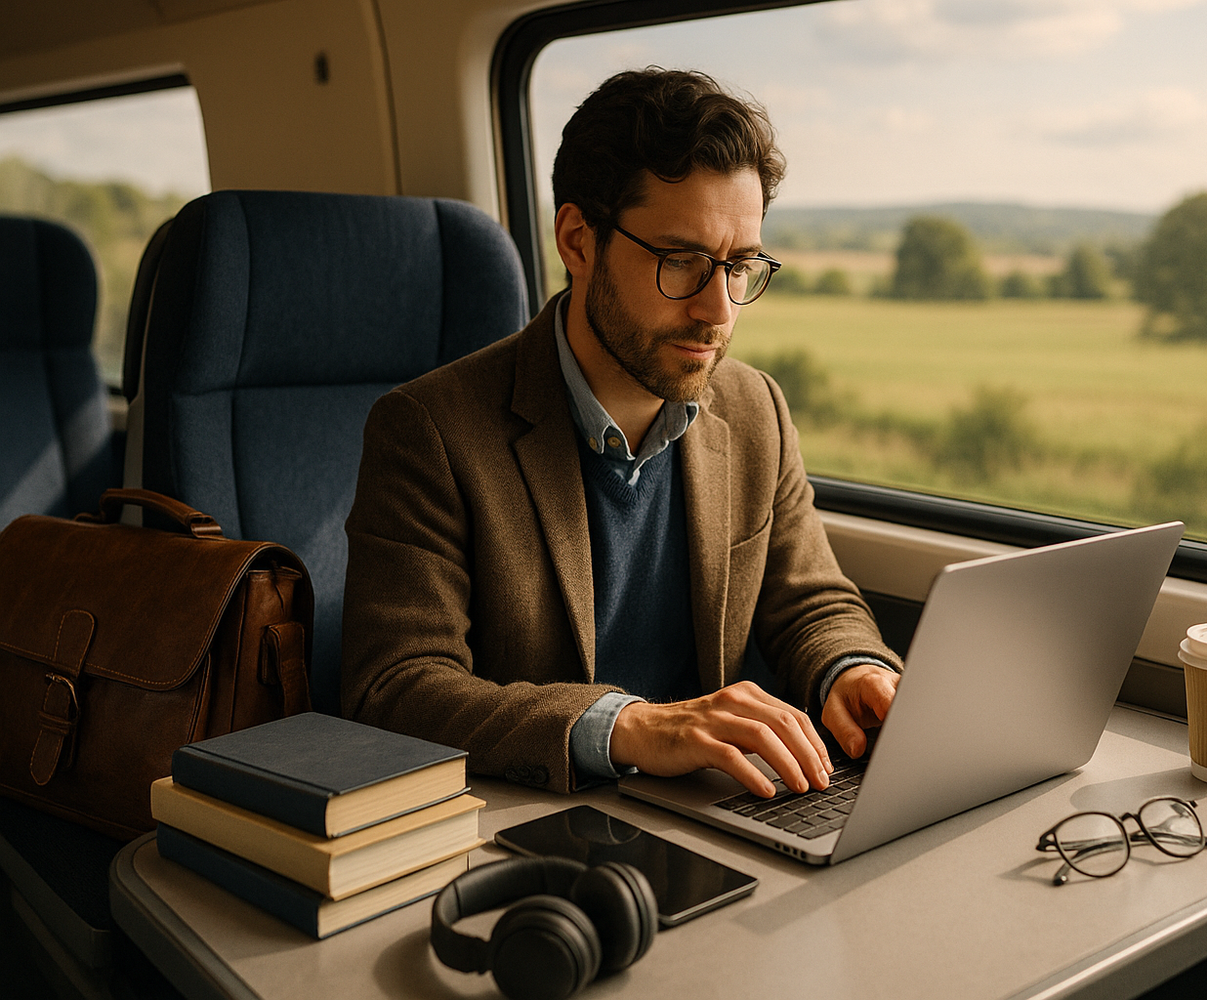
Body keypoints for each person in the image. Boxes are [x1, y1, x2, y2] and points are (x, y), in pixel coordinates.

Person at [341, 68, 901, 798]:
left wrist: (853, 669)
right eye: (683, 263)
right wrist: (629, 727)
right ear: (578, 240)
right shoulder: (430, 431)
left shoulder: (755, 407)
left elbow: (810, 601)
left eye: (740, 267)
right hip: (544, 816)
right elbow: (395, 686)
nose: (718, 310)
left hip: (718, 805)